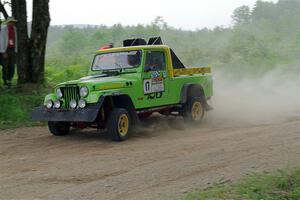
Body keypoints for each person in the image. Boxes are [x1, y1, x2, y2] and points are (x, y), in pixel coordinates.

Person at [1, 17, 17, 88]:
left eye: (13, 22)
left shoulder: (15, 29)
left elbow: (16, 40)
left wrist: (16, 50)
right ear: (7, 23)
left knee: (12, 66)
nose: (12, 23)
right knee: (5, 66)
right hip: (5, 49)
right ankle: (5, 82)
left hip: (12, 50)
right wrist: (3, 52)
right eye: (10, 22)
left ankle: (9, 80)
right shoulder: (3, 29)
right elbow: (1, 41)